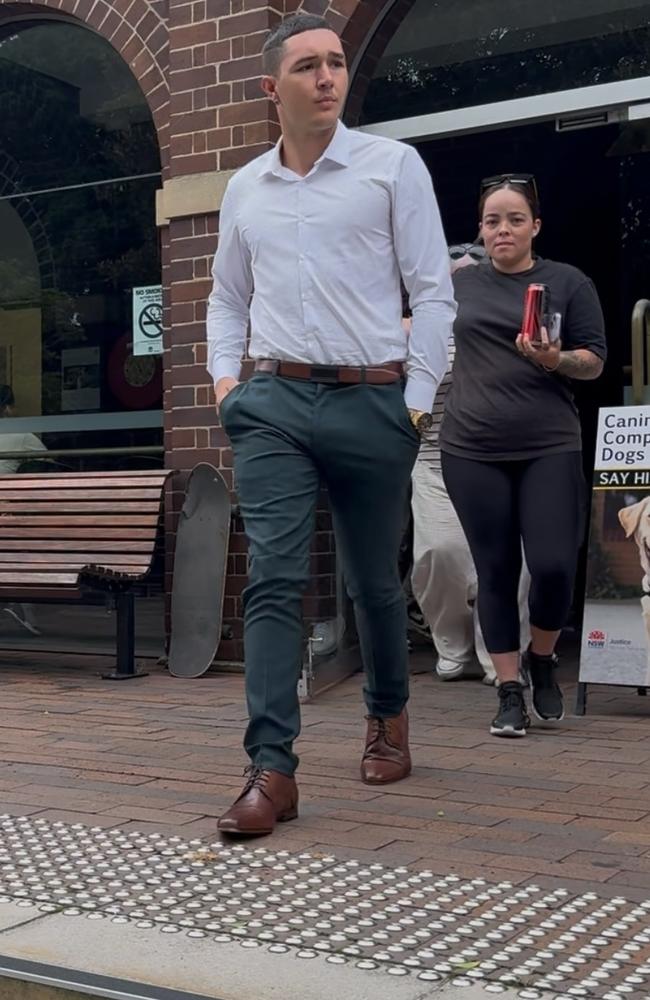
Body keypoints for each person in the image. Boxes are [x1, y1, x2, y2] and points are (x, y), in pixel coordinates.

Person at [206, 13, 456, 836]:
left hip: (373, 400)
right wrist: (225, 386)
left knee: (370, 583)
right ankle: (272, 769)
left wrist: (415, 399)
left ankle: (388, 714)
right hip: (273, 402)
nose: (327, 76)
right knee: (273, 577)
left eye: (337, 62)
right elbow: (227, 297)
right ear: (270, 88)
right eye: (308, 65)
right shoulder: (246, 187)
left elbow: (434, 291)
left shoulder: (392, 168)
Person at [440, 174, 606, 737]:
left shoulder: (567, 282)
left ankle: (543, 657)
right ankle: (509, 690)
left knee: (555, 565)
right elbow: (409, 332)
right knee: (495, 570)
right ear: (481, 231)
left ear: (535, 226)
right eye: (492, 220)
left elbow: (596, 362)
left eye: (514, 219)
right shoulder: (459, 286)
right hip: (471, 446)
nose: (502, 229)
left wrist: (556, 358)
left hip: (549, 443)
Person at [410, 243, 531, 685]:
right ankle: (452, 643)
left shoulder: (512, 326)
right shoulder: (424, 332)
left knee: (506, 563)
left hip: (501, 459)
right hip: (436, 458)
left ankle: (496, 653)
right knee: (440, 553)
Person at [0, 384, 46, 634]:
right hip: (7, 511)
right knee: (19, 548)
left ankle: (22, 609)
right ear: (8, 408)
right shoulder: (21, 433)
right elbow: (50, 463)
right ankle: (25, 611)